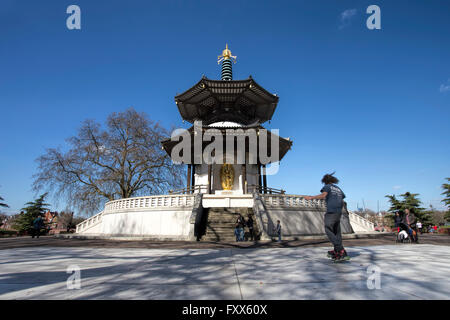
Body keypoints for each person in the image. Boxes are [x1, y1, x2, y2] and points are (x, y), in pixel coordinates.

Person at [304, 172, 349, 261]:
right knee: (336, 232)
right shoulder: (338, 188)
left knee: (328, 229)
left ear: (325, 181)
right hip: (338, 212)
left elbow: (324, 195)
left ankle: (341, 250)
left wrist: (311, 198)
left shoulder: (327, 187)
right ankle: (337, 250)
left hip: (331, 211)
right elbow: (342, 198)